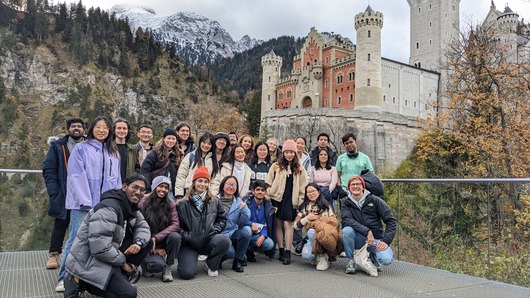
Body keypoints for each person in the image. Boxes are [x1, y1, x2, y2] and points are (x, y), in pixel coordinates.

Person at [55, 116, 122, 292]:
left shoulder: (113, 153)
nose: (101, 130)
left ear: (110, 131)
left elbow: (116, 181)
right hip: (82, 204)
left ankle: (87, 279)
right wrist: (87, 201)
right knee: (77, 238)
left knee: (99, 241)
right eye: (98, 127)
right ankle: (64, 277)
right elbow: (76, 175)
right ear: (91, 129)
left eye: (105, 128)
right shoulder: (81, 149)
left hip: (104, 205)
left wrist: (114, 202)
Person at [63, 174, 151, 298]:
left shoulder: (131, 208)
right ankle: (78, 280)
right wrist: (123, 263)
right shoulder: (109, 209)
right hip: (90, 260)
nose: (138, 192)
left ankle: (113, 278)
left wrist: (138, 243)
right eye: (135, 187)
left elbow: (143, 227)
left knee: (147, 242)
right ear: (124, 187)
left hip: (110, 255)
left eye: (142, 190)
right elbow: (99, 248)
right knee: (129, 294)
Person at [42, 117, 85, 270]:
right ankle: (54, 255)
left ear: (83, 129)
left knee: (83, 225)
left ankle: (80, 255)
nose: (76, 129)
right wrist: (54, 192)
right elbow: (49, 169)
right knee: (61, 222)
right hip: (65, 192)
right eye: (73, 126)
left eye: (79, 126)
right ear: (68, 129)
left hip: (84, 193)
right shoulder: (58, 146)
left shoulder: (89, 145)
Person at [176, 166, 231, 279]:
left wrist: (214, 230)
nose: (203, 184)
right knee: (187, 274)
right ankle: (190, 261)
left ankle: (210, 264)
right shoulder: (182, 204)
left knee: (225, 241)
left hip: (208, 240)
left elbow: (222, 219)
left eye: (206, 181)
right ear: (194, 182)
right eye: (200, 180)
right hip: (190, 244)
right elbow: (177, 226)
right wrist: (188, 236)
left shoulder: (215, 201)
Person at [341, 176, 396, 274]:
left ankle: (372, 256)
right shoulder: (345, 202)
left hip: (375, 239)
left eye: (358, 184)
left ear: (363, 187)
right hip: (358, 238)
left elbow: (391, 220)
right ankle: (350, 260)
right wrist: (367, 231)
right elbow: (347, 220)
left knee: (386, 259)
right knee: (347, 230)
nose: (355, 186)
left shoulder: (375, 200)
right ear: (348, 187)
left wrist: (386, 241)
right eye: (352, 184)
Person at [265, 139, 308, 265]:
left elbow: (303, 186)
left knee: (288, 225)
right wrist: (269, 194)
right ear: (283, 152)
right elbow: (268, 182)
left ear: (295, 153)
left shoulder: (299, 168)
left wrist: (300, 201)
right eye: (287, 152)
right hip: (277, 198)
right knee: (278, 224)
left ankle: (288, 251)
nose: (289, 154)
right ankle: (281, 249)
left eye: (291, 152)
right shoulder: (276, 166)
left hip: (291, 199)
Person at [138, 176, 181, 282]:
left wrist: (156, 238)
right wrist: (151, 243)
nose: (163, 190)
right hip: (146, 240)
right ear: (154, 186)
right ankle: (145, 263)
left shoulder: (170, 203)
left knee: (176, 237)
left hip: (162, 239)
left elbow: (175, 224)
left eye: (166, 188)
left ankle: (168, 267)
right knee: (156, 266)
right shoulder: (143, 202)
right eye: (160, 186)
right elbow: (138, 226)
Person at [294, 183, 340, 271]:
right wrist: (307, 218)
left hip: (326, 235)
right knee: (306, 255)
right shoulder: (304, 207)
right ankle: (318, 256)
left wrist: (318, 220)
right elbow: (296, 226)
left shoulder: (327, 205)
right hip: (311, 237)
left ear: (319, 192)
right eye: (308, 192)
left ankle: (322, 256)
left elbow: (334, 222)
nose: (311, 194)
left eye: (313, 191)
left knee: (312, 232)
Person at [217, 176, 251, 272]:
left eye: (234, 185)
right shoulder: (215, 200)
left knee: (245, 234)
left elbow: (242, 222)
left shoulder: (238, 201)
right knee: (230, 251)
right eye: (228, 184)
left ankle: (238, 261)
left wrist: (244, 210)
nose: (231, 187)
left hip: (231, 231)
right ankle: (216, 260)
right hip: (219, 233)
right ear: (223, 185)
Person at [175, 132, 218, 198]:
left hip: (206, 196)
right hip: (189, 194)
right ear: (200, 142)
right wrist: (179, 195)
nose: (206, 145)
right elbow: (181, 176)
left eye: (209, 144)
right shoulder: (190, 156)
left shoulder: (214, 160)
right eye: (204, 142)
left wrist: (212, 196)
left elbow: (215, 180)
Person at [141, 128, 181, 198]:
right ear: (164, 139)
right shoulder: (155, 153)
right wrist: (147, 189)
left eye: (173, 139)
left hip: (171, 191)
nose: (171, 141)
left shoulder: (177, 155)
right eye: (169, 138)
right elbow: (145, 171)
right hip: (156, 190)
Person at [242, 181, 276, 261]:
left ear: (265, 192)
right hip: (245, 230)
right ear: (253, 191)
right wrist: (251, 224)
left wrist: (263, 235)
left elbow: (266, 224)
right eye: (257, 190)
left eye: (262, 190)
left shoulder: (268, 206)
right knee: (247, 230)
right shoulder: (246, 202)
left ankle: (250, 250)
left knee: (269, 243)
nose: (260, 192)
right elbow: (241, 219)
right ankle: (241, 253)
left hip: (257, 233)